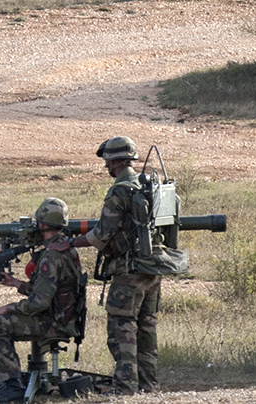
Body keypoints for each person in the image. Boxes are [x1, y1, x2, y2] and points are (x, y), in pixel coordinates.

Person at [72, 136, 162, 394]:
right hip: (152, 267)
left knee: (122, 328)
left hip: (128, 270)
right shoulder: (147, 185)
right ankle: (148, 385)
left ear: (115, 162)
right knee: (146, 327)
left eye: (108, 163)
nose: (107, 168)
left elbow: (102, 234)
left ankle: (125, 387)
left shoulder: (120, 190)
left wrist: (72, 243)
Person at [0, 198, 88, 404]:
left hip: (53, 323)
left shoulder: (50, 257)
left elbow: (39, 303)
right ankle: (13, 381)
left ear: (43, 225)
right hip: (64, 318)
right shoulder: (65, 249)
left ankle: (11, 387)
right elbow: (50, 292)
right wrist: (17, 284)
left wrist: (5, 309)